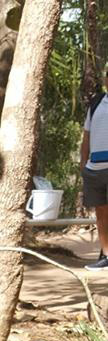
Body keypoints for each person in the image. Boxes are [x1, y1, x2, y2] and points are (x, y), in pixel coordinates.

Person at [80, 66, 108, 271]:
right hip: (95, 169)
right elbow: (86, 138)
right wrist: (83, 167)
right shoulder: (97, 103)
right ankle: (106, 256)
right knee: (101, 213)